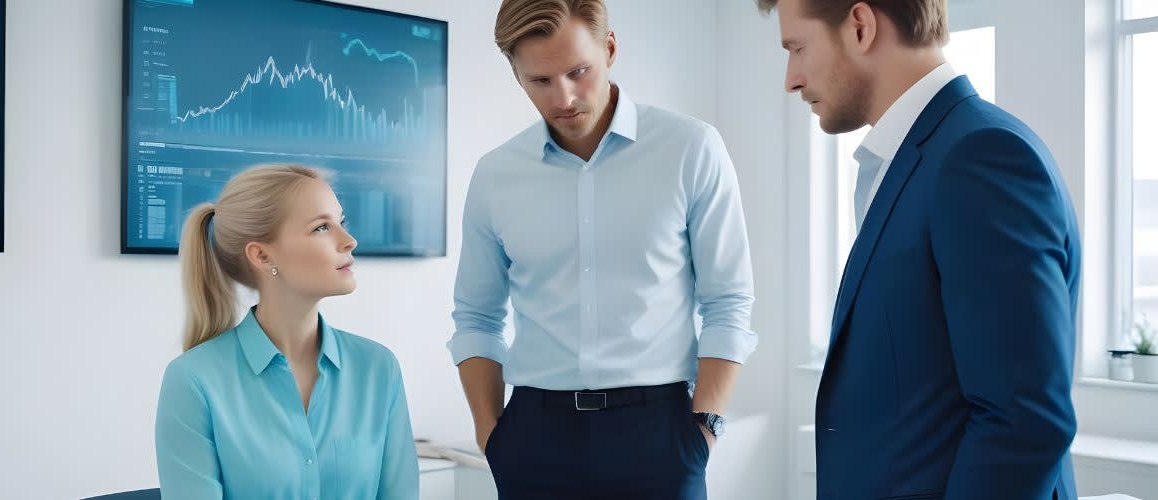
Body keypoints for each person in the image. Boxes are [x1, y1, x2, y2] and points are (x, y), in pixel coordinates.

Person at [758, 0, 1081, 498]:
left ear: (861, 27)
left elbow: (1023, 424)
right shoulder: (908, 160)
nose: (791, 79)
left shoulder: (980, 158)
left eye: (797, 48)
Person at [447, 1, 758, 498]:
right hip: (534, 437)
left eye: (578, 71)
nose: (564, 97)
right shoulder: (495, 175)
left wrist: (705, 429)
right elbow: (477, 317)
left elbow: (728, 301)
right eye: (540, 81)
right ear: (517, 76)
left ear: (610, 48)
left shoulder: (691, 148)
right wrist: (493, 437)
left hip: (660, 435)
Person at [155, 165, 418, 499]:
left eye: (342, 222)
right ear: (263, 255)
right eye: (322, 227)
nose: (349, 241)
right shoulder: (194, 380)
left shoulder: (379, 368)